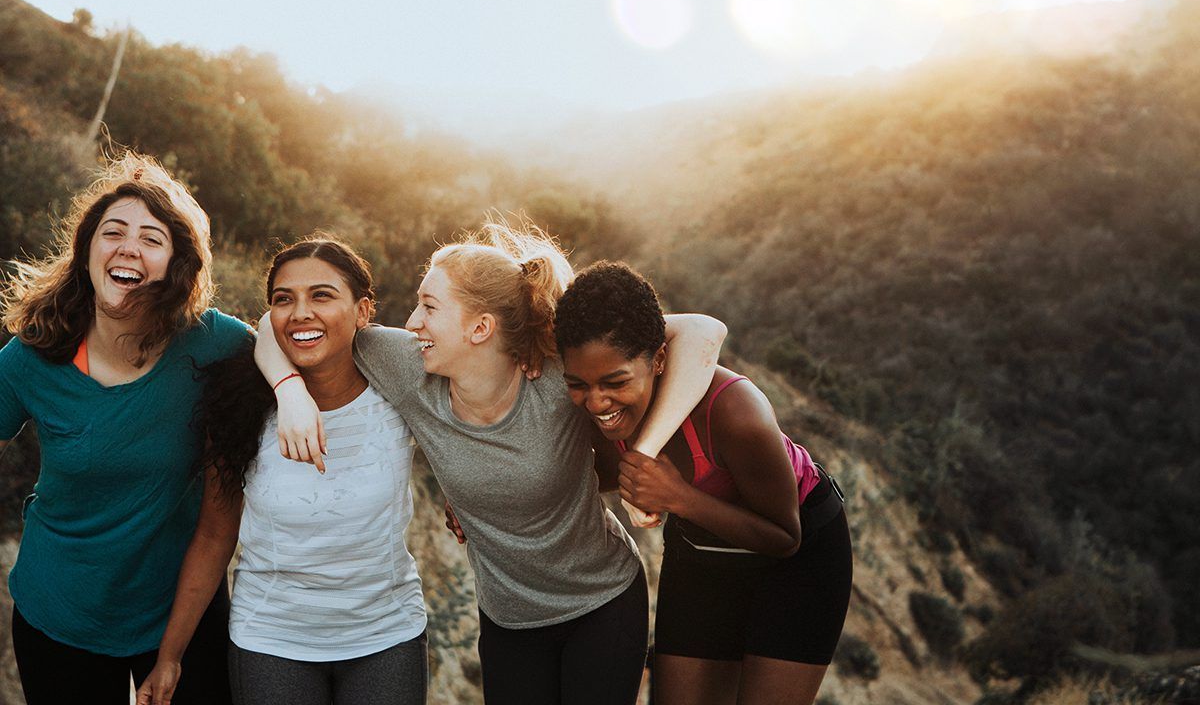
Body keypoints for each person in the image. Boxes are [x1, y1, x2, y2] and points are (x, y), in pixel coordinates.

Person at [258, 222, 727, 705]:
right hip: (508, 622)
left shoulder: (553, 376)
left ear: (480, 328)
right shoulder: (406, 366)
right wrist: (288, 391)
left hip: (603, 603)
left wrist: (644, 453)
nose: (413, 321)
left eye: (429, 307)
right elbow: (281, 327)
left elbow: (702, 332)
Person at [136, 237, 428, 705]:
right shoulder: (240, 407)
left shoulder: (398, 390)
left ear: (363, 311)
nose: (300, 313)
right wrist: (171, 655)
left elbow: (466, 423)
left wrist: (461, 494)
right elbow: (214, 536)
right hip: (271, 642)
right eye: (283, 299)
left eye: (322, 295)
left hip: (386, 635)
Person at [0, 153, 246, 704]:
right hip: (59, 613)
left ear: (177, 265)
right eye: (112, 232)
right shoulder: (32, 356)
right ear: (87, 251)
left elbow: (283, 338)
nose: (128, 246)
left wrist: (290, 390)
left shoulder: (212, 344)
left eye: (152, 238)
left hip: (182, 607)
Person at [554, 261, 853, 705]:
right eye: (578, 384)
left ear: (658, 359)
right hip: (701, 552)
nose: (596, 401)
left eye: (615, 382)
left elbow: (785, 536)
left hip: (801, 560)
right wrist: (483, 501)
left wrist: (679, 497)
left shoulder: (735, 412)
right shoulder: (597, 406)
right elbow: (586, 474)